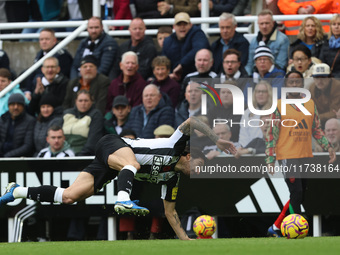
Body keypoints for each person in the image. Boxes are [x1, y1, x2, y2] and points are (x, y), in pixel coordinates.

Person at [0, 116, 237, 241]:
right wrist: (217, 140)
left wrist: (186, 240)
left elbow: (170, 213)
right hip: (114, 143)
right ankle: (122, 198)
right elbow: (191, 121)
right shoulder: (176, 144)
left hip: (113, 166)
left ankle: (18, 190)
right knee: (132, 162)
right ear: (189, 155)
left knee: (69, 196)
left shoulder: (171, 180)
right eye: (199, 164)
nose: (198, 170)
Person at [265, 70, 336, 237]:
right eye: (291, 82)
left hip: (305, 155)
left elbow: (316, 130)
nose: (295, 85)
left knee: (300, 194)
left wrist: (329, 148)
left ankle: (276, 227)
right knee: (296, 192)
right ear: (286, 86)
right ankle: (294, 231)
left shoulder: (310, 104)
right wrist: (270, 158)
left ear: (302, 85)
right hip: (287, 155)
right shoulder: (279, 105)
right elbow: (272, 133)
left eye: (298, 82)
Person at [162, 12, 210, 82]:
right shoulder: (168, 41)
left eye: (185, 24)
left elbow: (200, 48)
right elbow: (163, 61)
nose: (182, 27)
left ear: (191, 25)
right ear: (174, 27)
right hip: (174, 79)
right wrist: (169, 74)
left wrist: (181, 65)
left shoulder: (198, 34)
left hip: (197, 78)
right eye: (179, 24)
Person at [245, 9, 290, 76]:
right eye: (261, 23)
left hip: (274, 77)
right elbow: (250, 64)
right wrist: (246, 78)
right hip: (256, 77)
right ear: (258, 24)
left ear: (273, 23)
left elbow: (281, 65)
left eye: (267, 23)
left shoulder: (282, 39)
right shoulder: (254, 41)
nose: (264, 26)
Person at [63, 90, 104, 156]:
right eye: (80, 101)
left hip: (83, 156)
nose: (83, 103)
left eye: (86, 100)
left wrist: (79, 157)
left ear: (91, 102)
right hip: (63, 154)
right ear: (76, 101)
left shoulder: (96, 115)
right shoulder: (67, 114)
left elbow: (92, 141)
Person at [238, 81, 273, 148]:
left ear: (269, 93)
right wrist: (246, 150)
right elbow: (243, 136)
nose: (260, 94)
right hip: (249, 151)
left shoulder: (275, 111)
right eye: (258, 91)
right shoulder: (247, 113)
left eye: (264, 91)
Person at [309, 63, 340, 128]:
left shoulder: (337, 87)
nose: (320, 81)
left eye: (323, 77)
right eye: (317, 78)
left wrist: (315, 117)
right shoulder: (311, 88)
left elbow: (334, 114)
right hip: (318, 122)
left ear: (329, 78)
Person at [319, 14, 340, 78]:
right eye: (334, 24)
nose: (336, 27)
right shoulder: (325, 41)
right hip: (327, 77)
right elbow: (321, 59)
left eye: (339, 24)